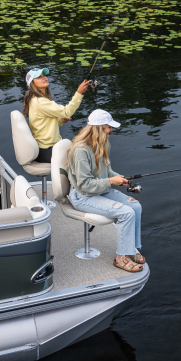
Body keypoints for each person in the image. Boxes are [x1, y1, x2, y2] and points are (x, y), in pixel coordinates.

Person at [66, 109, 145, 273]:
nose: (111, 131)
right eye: (108, 127)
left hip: (98, 190)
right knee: (126, 213)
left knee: (135, 206)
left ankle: (131, 250)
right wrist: (111, 181)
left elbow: (106, 171)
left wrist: (119, 178)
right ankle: (120, 258)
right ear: (98, 128)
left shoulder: (99, 144)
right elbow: (84, 185)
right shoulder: (81, 151)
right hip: (83, 196)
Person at [23, 67, 91, 163]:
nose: (44, 78)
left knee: (82, 152)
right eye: (39, 77)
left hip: (43, 149)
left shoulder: (35, 99)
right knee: (84, 157)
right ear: (32, 83)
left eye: (44, 75)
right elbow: (66, 112)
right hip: (47, 150)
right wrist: (79, 93)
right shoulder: (41, 102)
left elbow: (44, 124)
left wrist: (60, 121)